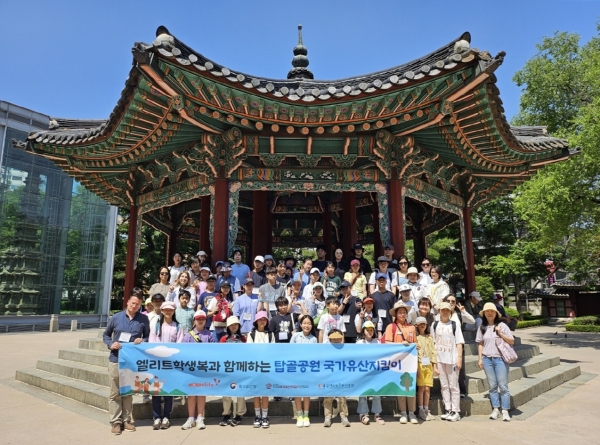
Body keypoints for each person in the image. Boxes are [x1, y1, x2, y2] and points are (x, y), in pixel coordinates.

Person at [103, 291, 149, 435]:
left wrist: (142, 341)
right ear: (127, 302)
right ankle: (116, 421)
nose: (135, 306)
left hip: (132, 361)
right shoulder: (116, 317)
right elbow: (106, 335)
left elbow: (147, 336)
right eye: (133, 303)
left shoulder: (143, 319)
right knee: (115, 392)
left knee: (128, 391)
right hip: (116, 359)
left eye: (138, 304)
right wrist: (110, 344)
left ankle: (127, 420)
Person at [477, 302, 515, 422]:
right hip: (487, 358)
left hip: (500, 359)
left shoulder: (502, 325)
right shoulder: (482, 327)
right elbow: (480, 343)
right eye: (487, 311)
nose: (489, 313)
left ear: (496, 313)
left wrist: (500, 333)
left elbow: (511, 341)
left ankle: (505, 410)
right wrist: (480, 358)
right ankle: (496, 409)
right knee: (492, 385)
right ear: (484, 314)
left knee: (503, 385)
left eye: (492, 311)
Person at [149, 301, 184, 430]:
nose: (168, 312)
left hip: (171, 364)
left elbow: (179, 345)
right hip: (158, 363)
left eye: (170, 310)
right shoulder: (156, 326)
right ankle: (156, 416)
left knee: (169, 391)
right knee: (156, 391)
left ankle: (167, 417)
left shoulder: (178, 327)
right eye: (166, 310)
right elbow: (152, 344)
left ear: (174, 311)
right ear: (162, 311)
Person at [383, 301, 418, 424]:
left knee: (410, 386)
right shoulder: (391, 327)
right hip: (397, 362)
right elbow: (387, 344)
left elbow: (415, 344)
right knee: (400, 386)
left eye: (404, 312)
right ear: (396, 314)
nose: (402, 314)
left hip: (410, 361)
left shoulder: (412, 328)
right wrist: (400, 344)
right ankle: (403, 412)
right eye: (400, 312)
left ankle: (412, 413)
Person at [181, 309, 215, 430]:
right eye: (198, 319)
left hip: (203, 368)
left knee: (201, 393)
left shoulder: (210, 335)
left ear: (205, 320)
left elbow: (213, 352)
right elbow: (183, 353)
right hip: (191, 369)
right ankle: (190, 418)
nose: (200, 321)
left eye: (202, 319)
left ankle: (200, 417)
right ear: (194, 320)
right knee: (191, 394)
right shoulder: (188, 336)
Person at [432, 302, 465, 422]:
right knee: (444, 385)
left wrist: (459, 358)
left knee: (453, 386)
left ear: (450, 311)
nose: (445, 312)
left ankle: (456, 411)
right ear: (439, 311)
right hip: (440, 359)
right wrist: (434, 364)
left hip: (452, 360)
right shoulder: (434, 324)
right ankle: (448, 409)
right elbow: (433, 344)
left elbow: (459, 343)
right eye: (442, 310)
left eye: (447, 310)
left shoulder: (455, 325)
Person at [438, 294, 475, 398]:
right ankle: (446, 392)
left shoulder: (459, 315)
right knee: (446, 371)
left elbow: (472, 321)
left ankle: (462, 390)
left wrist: (463, 311)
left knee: (460, 369)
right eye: (448, 301)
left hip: (457, 345)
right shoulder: (440, 315)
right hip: (444, 347)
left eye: (453, 301)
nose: (450, 303)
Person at [246, 311, 274, 428]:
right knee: (256, 393)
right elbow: (249, 351)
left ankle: (265, 416)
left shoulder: (271, 334)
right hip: (255, 367)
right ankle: (257, 416)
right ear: (256, 321)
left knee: (265, 392)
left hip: (266, 367)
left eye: (264, 319)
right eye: (260, 319)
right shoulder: (251, 334)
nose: (262, 321)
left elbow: (273, 350)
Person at [219, 316, 247, 426]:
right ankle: (226, 415)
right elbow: (220, 354)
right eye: (231, 325)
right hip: (227, 368)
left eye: (235, 324)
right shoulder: (223, 339)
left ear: (239, 326)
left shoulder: (244, 338)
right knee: (226, 393)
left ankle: (239, 415)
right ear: (228, 327)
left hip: (240, 368)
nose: (234, 326)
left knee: (240, 392)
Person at [290, 315, 317, 427]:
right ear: (300, 324)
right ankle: (299, 415)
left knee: (306, 392)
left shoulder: (314, 339)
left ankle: (306, 415)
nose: (307, 325)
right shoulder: (295, 336)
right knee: (297, 392)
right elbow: (290, 351)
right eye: (304, 323)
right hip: (296, 369)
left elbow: (314, 355)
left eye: (309, 323)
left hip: (308, 370)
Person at [356, 321, 385, 425]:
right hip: (363, 372)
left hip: (375, 372)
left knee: (376, 393)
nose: (369, 332)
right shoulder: (359, 343)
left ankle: (377, 414)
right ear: (363, 331)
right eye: (367, 330)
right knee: (363, 393)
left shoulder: (377, 342)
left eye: (371, 330)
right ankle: (363, 414)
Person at [323, 329, 350, 427]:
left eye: (338, 338)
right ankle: (327, 416)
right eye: (333, 339)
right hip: (328, 376)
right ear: (329, 340)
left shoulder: (345, 350)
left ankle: (344, 416)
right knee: (328, 398)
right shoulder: (324, 350)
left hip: (341, 377)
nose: (336, 340)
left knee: (342, 398)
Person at [415, 316, 438, 421]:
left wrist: (435, 366)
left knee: (428, 388)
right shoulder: (415, 338)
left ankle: (426, 409)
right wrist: (416, 369)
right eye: (420, 324)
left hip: (428, 365)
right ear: (417, 326)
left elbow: (433, 352)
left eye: (424, 324)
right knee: (421, 388)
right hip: (420, 364)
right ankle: (420, 410)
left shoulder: (429, 338)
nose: (422, 325)